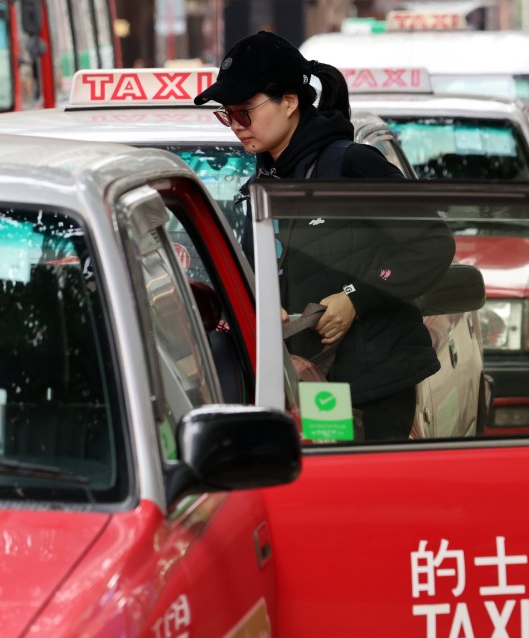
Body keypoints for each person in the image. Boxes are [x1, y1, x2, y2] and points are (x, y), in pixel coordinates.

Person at [194, 30, 456, 441]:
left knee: (358, 496)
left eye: (243, 112)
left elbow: (432, 244)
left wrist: (356, 298)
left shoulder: (351, 164)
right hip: (300, 382)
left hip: (368, 384)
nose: (235, 126)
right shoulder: (264, 180)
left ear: (290, 101)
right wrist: (268, 307)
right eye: (227, 115)